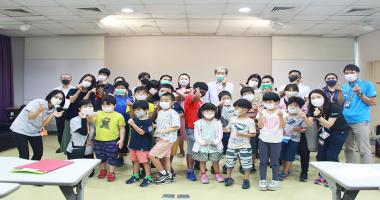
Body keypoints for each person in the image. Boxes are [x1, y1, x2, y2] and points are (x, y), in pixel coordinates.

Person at [303, 89, 348, 186]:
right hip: (324, 132)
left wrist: (318, 117)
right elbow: (310, 124)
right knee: (321, 155)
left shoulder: (334, 107)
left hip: (338, 132)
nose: (315, 99)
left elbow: (329, 125)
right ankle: (322, 176)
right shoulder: (312, 109)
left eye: (318, 97)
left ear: (324, 98)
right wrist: (304, 117)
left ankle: (333, 178)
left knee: (331, 155)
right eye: (313, 98)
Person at [10, 90, 65, 160]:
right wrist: (38, 111)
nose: (58, 99)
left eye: (60, 99)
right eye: (56, 97)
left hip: (35, 131)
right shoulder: (38, 102)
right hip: (20, 129)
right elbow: (30, 117)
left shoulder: (54, 109)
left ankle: (32, 167)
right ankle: (24, 169)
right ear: (50, 96)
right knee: (24, 154)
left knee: (38, 153)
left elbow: (44, 123)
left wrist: (53, 114)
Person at [341, 64, 377, 164]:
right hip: (345, 121)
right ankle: (351, 169)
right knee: (348, 148)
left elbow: (372, 102)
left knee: (364, 149)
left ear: (358, 73)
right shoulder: (344, 87)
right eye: (347, 73)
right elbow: (341, 103)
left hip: (361, 121)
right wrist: (339, 92)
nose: (349, 74)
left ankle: (367, 172)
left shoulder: (367, 85)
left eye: (352, 72)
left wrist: (360, 93)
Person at [224, 99, 256, 189]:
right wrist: (227, 129)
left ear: (245, 110)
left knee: (246, 164)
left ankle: (246, 180)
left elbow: (253, 134)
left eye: (237, 108)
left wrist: (243, 134)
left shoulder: (250, 121)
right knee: (229, 163)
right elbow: (228, 128)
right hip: (231, 146)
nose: (235, 110)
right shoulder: (233, 118)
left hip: (244, 147)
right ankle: (228, 177)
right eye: (235, 108)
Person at [148, 92, 180, 184]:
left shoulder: (173, 113)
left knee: (151, 155)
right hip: (161, 138)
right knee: (166, 158)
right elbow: (159, 125)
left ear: (172, 102)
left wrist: (163, 131)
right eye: (161, 100)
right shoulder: (160, 112)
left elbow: (176, 126)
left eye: (166, 100)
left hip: (168, 138)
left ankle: (163, 174)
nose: (163, 102)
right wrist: (157, 133)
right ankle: (169, 176)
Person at [60, 74, 97, 153]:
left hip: (85, 118)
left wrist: (89, 93)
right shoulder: (72, 90)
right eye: (86, 80)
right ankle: (69, 153)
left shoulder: (92, 93)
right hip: (71, 116)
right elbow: (72, 101)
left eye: (90, 81)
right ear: (82, 80)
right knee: (69, 136)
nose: (87, 82)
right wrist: (79, 90)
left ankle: (83, 153)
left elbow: (83, 103)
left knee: (83, 137)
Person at [93, 95, 126, 182]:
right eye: (104, 105)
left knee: (112, 157)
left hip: (112, 140)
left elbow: (122, 128)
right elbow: (89, 122)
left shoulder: (119, 116)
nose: (106, 107)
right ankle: (103, 170)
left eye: (108, 105)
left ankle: (111, 172)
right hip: (98, 140)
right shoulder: (97, 113)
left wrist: (121, 140)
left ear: (114, 105)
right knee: (100, 157)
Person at [257, 92, 285, 191]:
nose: (267, 103)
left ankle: (275, 180)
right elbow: (260, 126)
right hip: (263, 140)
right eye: (265, 101)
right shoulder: (262, 111)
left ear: (276, 102)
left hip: (276, 141)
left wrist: (281, 117)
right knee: (263, 161)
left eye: (270, 101)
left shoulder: (282, 112)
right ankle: (262, 180)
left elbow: (282, 127)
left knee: (275, 162)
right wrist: (260, 115)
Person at [192, 103, 224, 184]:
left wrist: (216, 141)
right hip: (202, 146)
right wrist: (202, 142)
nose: (209, 112)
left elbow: (220, 134)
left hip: (214, 145)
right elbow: (196, 135)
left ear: (215, 112)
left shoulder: (217, 122)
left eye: (211, 111)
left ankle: (217, 174)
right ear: (202, 112)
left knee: (215, 161)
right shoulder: (198, 123)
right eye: (207, 110)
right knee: (202, 161)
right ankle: (203, 175)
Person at [125, 100, 154, 187]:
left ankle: (148, 177)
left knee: (145, 162)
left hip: (143, 146)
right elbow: (131, 132)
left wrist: (133, 124)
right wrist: (129, 143)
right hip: (133, 144)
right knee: (135, 161)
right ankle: (135, 175)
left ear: (146, 110)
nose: (136, 112)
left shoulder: (148, 122)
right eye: (135, 110)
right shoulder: (135, 119)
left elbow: (142, 132)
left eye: (139, 109)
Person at [184, 82, 208, 181]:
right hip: (191, 129)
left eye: (204, 91)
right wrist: (195, 94)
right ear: (194, 89)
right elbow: (194, 98)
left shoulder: (201, 102)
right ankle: (190, 170)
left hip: (201, 129)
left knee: (199, 148)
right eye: (200, 89)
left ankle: (198, 165)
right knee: (191, 150)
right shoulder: (190, 97)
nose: (202, 92)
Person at [279, 97, 309, 180]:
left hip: (294, 139)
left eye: (295, 106)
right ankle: (284, 169)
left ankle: (285, 172)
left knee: (289, 155)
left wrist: (299, 129)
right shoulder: (284, 115)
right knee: (283, 155)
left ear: (299, 108)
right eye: (290, 105)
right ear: (287, 106)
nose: (292, 107)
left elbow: (305, 129)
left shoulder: (301, 117)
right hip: (282, 139)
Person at [66, 100, 95, 178]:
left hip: (88, 150)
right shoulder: (74, 120)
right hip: (76, 149)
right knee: (76, 173)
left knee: (90, 174)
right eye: (85, 107)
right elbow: (84, 132)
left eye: (90, 106)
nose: (88, 108)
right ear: (79, 109)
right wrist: (83, 118)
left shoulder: (93, 119)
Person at [114, 81, 134, 165]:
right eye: (118, 88)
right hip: (113, 123)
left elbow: (132, 111)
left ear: (126, 90)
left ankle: (120, 156)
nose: (120, 89)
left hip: (125, 123)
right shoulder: (112, 98)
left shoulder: (129, 99)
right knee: (114, 139)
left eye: (122, 88)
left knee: (124, 139)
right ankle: (113, 155)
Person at [240, 87, 260, 173]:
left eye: (249, 93)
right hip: (243, 133)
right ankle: (242, 165)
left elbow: (260, 118)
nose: (247, 95)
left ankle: (252, 164)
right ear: (242, 96)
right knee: (242, 149)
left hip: (254, 132)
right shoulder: (240, 106)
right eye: (245, 94)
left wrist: (257, 110)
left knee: (253, 149)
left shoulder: (257, 105)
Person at [54, 73, 75, 153]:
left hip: (70, 111)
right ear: (60, 79)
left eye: (67, 78)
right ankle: (61, 146)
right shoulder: (56, 89)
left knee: (70, 129)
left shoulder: (74, 89)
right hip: (59, 111)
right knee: (60, 129)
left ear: (71, 79)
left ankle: (70, 146)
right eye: (64, 77)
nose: (65, 79)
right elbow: (53, 101)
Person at [216, 91, 234, 174]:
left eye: (228, 98)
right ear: (220, 100)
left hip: (232, 132)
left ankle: (226, 166)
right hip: (222, 133)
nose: (226, 100)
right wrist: (219, 106)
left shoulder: (234, 107)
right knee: (220, 150)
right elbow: (216, 117)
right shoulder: (219, 108)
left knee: (230, 151)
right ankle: (214, 166)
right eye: (223, 99)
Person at [175, 73, 192, 157]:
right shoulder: (175, 90)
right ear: (178, 80)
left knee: (189, 132)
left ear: (189, 81)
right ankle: (181, 150)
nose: (183, 80)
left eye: (186, 79)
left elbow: (189, 98)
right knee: (180, 133)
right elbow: (174, 99)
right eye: (181, 78)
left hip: (189, 112)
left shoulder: (192, 90)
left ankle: (190, 150)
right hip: (179, 113)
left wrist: (181, 96)